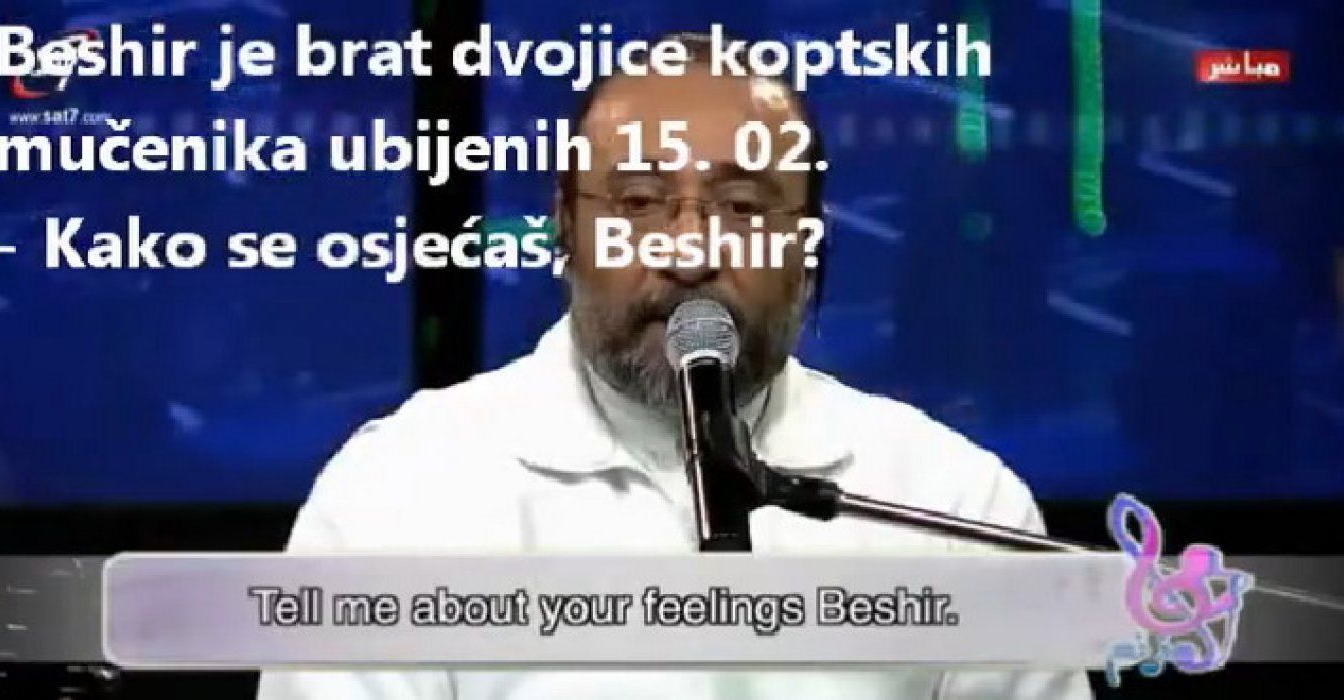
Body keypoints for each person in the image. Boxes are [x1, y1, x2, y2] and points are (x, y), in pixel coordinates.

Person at [258, 33, 1094, 700]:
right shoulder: (395, 495)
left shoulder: (954, 505)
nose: (689, 250)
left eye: (742, 206)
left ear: (808, 249)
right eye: (638, 203)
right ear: (565, 230)